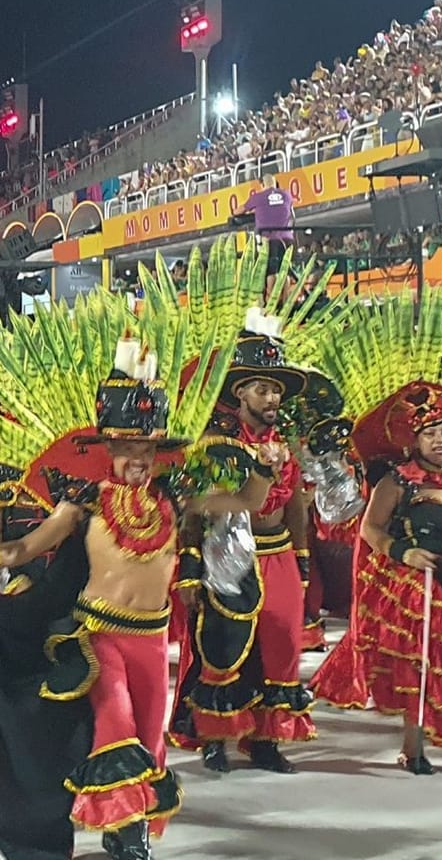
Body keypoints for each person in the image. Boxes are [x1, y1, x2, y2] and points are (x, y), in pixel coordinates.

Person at [0, 346, 269, 860]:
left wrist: (263, 467)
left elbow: (249, 502)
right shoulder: (82, 502)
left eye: (147, 451)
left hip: (152, 641)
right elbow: (26, 549)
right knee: (117, 724)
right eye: (128, 448)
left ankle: (122, 826)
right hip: (96, 638)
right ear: (109, 448)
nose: (138, 460)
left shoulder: (176, 499)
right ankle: (131, 843)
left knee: (151, 743)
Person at [313, 380, 442, 778]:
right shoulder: (397, 481)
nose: (440, 440)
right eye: (430, 433)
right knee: (421, 665)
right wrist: (405, 553)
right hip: (418, 582)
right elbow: (370, 531)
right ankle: (413, 748)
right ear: (413, 442)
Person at [170, 320, 317, 773]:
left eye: (275, 390)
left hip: (278, 554)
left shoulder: (287, 445)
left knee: (282, 646)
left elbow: (294, 504)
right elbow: (194, 510)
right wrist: (192, 569)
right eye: (261, 389)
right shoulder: (216, 445)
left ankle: (266, 741)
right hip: (226, 558)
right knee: (223, 647)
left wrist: (302, 560)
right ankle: (215, 736)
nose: (271, 398)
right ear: (240, 395)